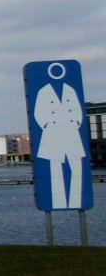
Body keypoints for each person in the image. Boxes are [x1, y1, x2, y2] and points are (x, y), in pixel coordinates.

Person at [33, 63, 86, 208]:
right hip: (53, 134)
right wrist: (47, 125)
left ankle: (77, 201)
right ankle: (58, 201)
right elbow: (38, 112)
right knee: (55, 167)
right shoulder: (43, 91)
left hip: (71, 132)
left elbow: (77, 110)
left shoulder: (70, 90)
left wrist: (75, 123)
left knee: (77, 166)